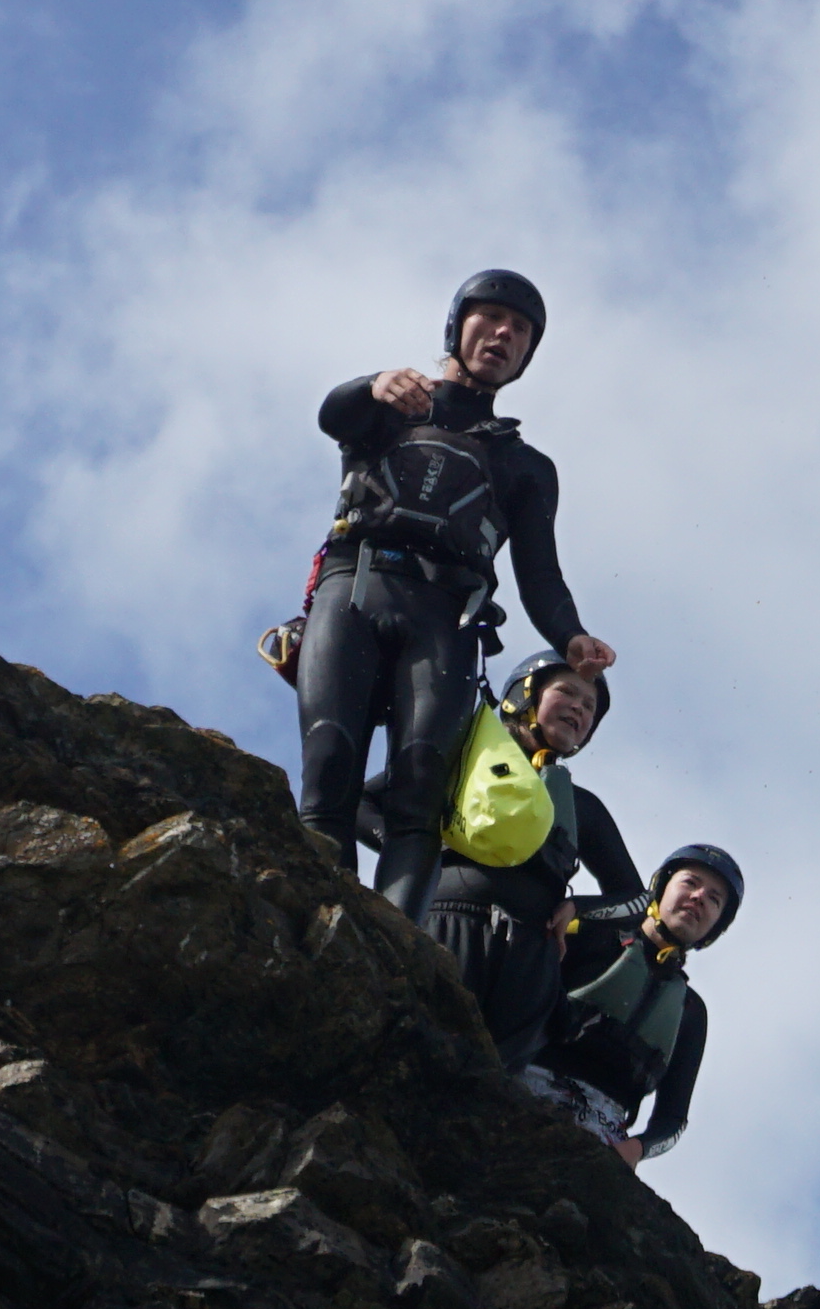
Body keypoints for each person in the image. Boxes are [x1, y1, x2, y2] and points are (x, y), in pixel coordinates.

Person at [298, 268, 612, 905]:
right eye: (491, 318)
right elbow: (334, 415)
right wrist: (374, 383)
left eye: (521, 330)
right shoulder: (387, 408)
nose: (503, 333)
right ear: (457, 325)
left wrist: (572, 637)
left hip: (444, 623)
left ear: (526, 356)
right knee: (330, 767)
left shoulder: (526, 466)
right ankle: (308, 917)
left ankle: (390, 954)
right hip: (353, 593)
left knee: (420, 793)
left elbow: (540, 574)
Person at [416, 651, 648, 1068]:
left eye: (590, 706)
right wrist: (419, 863)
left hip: (528, 960)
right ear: (525, 695)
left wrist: (579, 911)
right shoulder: (462, 759)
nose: (580, 706)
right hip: (445, 923)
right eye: (567, 691)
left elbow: (637, 900)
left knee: (483, 1093)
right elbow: (368, 806)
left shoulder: (582, 808)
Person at [530, 844, 737, 1166]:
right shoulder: (585, 934)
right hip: (524, 1088)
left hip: (602, 1136)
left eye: (714, 899)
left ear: (716, 927)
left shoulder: (691, 1013)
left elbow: (672, 1120)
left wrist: (636, 1149)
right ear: (661, 887)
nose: (699, 897)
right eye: (690, 883)